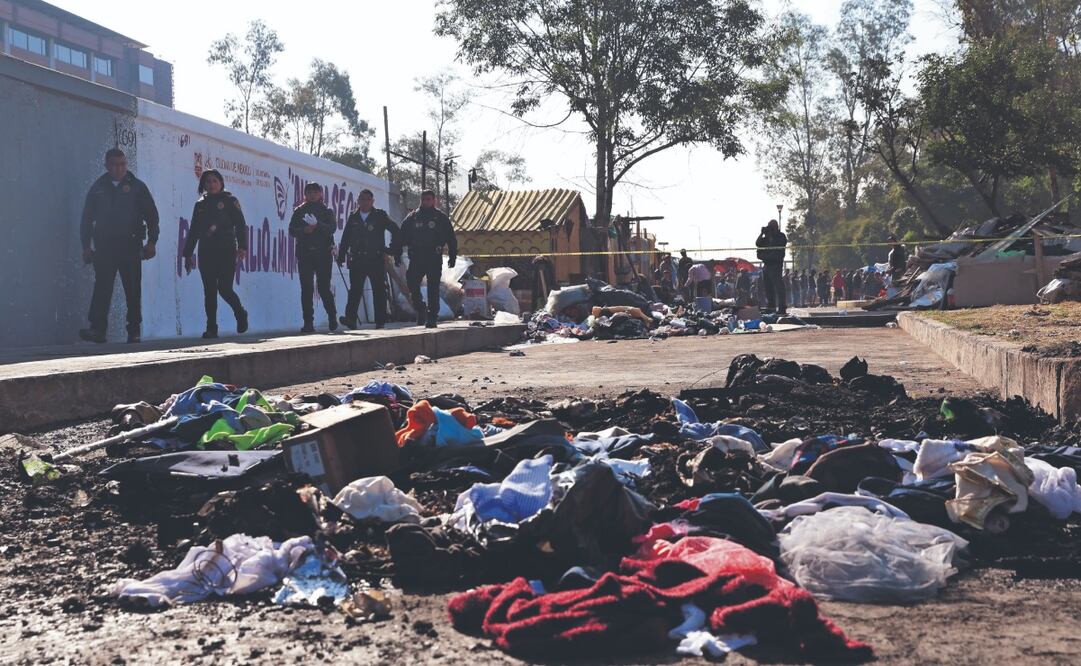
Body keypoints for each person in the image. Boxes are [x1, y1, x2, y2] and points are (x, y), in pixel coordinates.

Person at [79, 148, 159, 344]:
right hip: (105, 246)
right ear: (107, 165)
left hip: (130, 245)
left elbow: (152, 216)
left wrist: (152, 241)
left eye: (123, 164)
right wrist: (86, 246)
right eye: (115, 164)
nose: (119, 168)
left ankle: (134, 331)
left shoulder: (137, 187)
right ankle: (98, 330)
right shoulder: (98, 188)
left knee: (132, 289)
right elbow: (87, 219)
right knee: (102, 288)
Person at [182, 169, 249, 339]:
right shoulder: (200, 204)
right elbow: (194, 230)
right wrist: (188, 253)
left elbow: (240, 225)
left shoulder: (230, 201)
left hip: (226, 250)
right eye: (208, 182)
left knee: (225, 288)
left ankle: (240, 313)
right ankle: (211, 327)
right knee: (209, 290)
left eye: (214, 181)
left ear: (221, 183)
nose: (211, 184)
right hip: (206, 251)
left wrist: (242, 246)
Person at [337, 189, 399, 330]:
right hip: (357, 259)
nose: (364, 202)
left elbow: (395, 230)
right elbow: (346, 237)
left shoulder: (380, 216)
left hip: (375, 258)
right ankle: (351, 319)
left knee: (379, 290)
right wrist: (341, 255)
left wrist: (391, 249)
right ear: (358, 201)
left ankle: (380, 321)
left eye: (367, 199)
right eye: (362, 199)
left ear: (372, 201)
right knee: (355, 291)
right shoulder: (354, 217)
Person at [399, 190, 457, 328]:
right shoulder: (412, 217)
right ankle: (421, 309)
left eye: (429, 199)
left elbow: (451, 237)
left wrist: (453, 255)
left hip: (433, 257)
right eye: (424, 199)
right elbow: (401, 237)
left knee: (433, 288)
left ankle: (432, 317)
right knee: (412, 284)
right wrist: (396, 253)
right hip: (417, 257)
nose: (426, 202)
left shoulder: (440, 217)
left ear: (434, 200)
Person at [289, 182, 338, 333]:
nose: (312, 195)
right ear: (305, 194)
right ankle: (308, 322)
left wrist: (318, 225)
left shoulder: (326, 211)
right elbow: (292, 230)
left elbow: (332, 229)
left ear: (320, 194)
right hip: (305, 254)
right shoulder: (299, 211)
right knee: (306, 289)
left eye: (315, 192)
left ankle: (332, 316)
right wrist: (305, 230)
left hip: (323, 254)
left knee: (324, 288)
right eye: (309, 192)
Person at [755, 219, 788, 314]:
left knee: (778, 286)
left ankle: (782, 307)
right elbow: (757, 243)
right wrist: (762, 234)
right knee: (767, 285)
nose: (770, 229)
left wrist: (771, 235)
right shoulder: (766, 237)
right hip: (767, 264)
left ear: (776, 227)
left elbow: (779, 246)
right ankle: (771, 305)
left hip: (776, 264)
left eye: (771, 227)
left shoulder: (780, 236)